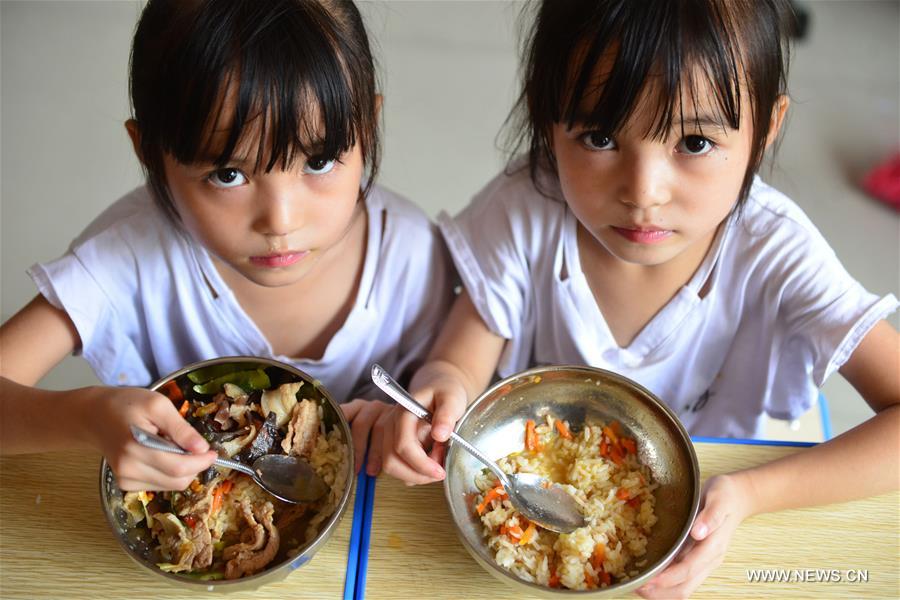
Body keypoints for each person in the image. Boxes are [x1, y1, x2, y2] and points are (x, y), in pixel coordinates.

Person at [379, 0, 899, 597]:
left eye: (695, 143)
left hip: (720, 526)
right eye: (600, 136)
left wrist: (752, 492)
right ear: (549, 121)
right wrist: (438, 391)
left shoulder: (776, 252)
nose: (643, 192)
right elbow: (459, 357)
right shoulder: (524, 212)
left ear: (767, 126)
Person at [0, 0, 453, 491]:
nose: (281, 221)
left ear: (366, 126)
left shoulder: (412, 257)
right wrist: (86, 416)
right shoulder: (125, 258)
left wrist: (414, 426)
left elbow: (450, 398)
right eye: (228, 174)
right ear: (149, 154)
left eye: (318, 161)